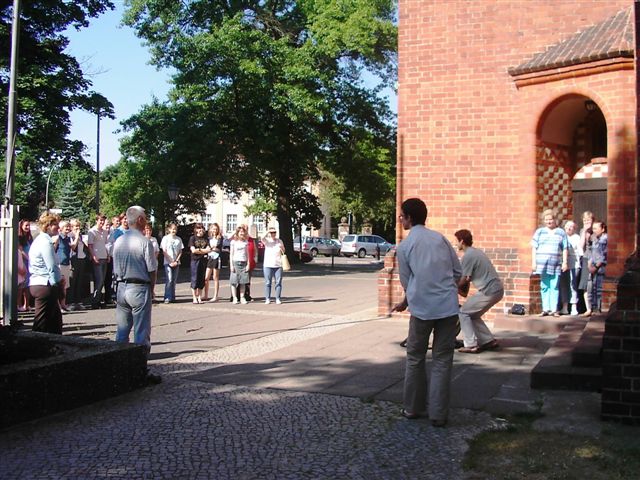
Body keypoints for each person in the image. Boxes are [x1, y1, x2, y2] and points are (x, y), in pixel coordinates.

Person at [390, 198, 461, 427]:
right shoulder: (440, 239)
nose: (400, 219)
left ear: (409, 217)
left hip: (421, 308)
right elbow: (457, 271)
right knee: (442, 359)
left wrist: (406, 300)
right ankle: (439, 414)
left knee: (415, 358)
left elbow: (406, 281)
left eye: (402, 216)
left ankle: (412, 408)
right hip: (447, 307)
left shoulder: (405, 246)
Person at [113, 205, 161, 384]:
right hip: (139, 287)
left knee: (122, 331)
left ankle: (119, 369)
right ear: (140, 220)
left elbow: (115, 267)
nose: (146, 220)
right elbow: (152, 270)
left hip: (121, 287)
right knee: (141, 332)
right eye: (145, 217)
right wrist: (152, 289)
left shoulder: (119, 241)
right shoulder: (144, 242)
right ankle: (140, 371)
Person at [454, 229, 503, 354]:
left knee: (463, 313)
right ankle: (488, 340)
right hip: (496, 289)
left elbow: (465, 279)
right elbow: (467, 278)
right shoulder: (476, 252)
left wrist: (451, 287)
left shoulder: (468, 256)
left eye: (457, 241)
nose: (456, 244)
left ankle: (471, 344)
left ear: (462, 241)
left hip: (489, 290)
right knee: (473, 314)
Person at [28, 213, 63, 334]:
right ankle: (35, 343)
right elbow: (51, 266)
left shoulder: (41, 240)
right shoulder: (45, 242)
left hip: (40, 283)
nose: (58, 227)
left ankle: (56, 342)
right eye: (55, 224)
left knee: (55, 321)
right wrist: (57, 282)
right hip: (44, 284)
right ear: (47, 226)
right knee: (41, 323)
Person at [531, 209, 568, 317]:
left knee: (554, 286)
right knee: (544, 285)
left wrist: (565, 262)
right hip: (542, 263)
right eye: (546, 220)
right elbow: (534, 247)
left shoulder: (561, 232)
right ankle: (545, 309)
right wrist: (533, 262)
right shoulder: (539, 232)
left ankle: (554, 309)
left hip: (555, 264)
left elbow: (565, 248)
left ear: (555, 219)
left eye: (550, 219)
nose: (548, 221)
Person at [560, 220, 582, 316]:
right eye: (567, 226)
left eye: (571, 226)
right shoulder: (561, 236)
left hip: (574, 264)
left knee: (573, 285)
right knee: (564, 285)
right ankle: (565, 307)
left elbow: (580, 252)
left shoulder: (577, 237)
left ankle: (574, 306)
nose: (569, 228)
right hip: (563, 264)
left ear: (574, 228)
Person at [88, 213, 109, 309]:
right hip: (97, 258)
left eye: (103, 220)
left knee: (102, 280)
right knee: (99, 280)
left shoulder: (105, 232)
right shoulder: (92, 231)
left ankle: (99, 299)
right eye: (100, 220)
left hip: (104, 256)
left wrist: (108, 254)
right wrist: (93, 256)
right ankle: (94, 301)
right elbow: (90, 246)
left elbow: (105, 244)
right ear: (96, 220)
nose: (102, 222)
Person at [160, 223, 184, 304]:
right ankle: (167, 297)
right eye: (172, 229)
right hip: (168, 262)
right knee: (169, 279)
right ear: (169, 229)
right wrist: (170, 261)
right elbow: (164, 251)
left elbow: (180, 251)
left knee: (174, 280)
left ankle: (172, 296)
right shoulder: (165, 238)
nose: (174, 231)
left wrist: (176, 261)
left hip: (176, 262)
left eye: (175, 229)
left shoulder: (178, 239)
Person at [188, 223, 211, 303]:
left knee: (201, 279)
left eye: (202, 228)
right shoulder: (192, 238)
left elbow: (208, 249)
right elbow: (193, 250)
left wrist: (199, 250)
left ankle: (199, 297)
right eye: (198, 228)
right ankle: (194, 297)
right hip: (195, 260)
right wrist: (203, 251)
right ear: (195, 229)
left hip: (203, 261)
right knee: (194, 279)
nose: (200, 230)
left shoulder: (206, 239)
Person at [68, 218, 88, 310]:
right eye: (75, 226)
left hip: (81, 259)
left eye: (78, 226)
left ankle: (78, 301)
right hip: (74, 260)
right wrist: (76, 237)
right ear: (71, 227)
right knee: (73, 281)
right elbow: (73, 247)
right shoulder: (70, 235)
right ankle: (71, 301)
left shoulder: (80, 235)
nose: (77, 228)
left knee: (80, 281)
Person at [588, 221, 608, 315]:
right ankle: (594, 307)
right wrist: (590, 265)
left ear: (603, 229)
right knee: (594, 288)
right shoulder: (595, 239)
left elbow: (604, 255)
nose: (594, 230)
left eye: (596, 228)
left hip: (600, 267)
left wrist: (596, 266)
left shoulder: (605, 239)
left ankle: (599, 308)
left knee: (599, 288)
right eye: (593, 228)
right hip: (594, 267)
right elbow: (592, 253)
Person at [262, 227, 285, 304]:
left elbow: (283, 251)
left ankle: (277, 298)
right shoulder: (267, 241)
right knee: (268, 282)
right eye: (271, 233)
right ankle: (267, 298)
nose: (273, 234)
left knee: (278, 282)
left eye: (274, 232)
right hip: (268, 264)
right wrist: (267, 231)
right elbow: (262, 238)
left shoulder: (279, 241)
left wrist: (282, 247)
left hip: (278, 264)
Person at [54, 220, 72, 312]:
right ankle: (58, 306)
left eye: (69, 226)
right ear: (60, 229)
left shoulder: (68, 238)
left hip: (66, 263)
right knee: (59, 286)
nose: (68, 228)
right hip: (59, 264)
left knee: (65, 286)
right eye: (66, 227)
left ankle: (63, 304)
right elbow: (54, 249)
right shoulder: (58, 238)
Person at [578, 211, 594, 316]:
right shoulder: (582, 231)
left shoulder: (596, 230)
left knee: (594, 283)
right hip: (586, 258)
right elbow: (581, 245)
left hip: (595, 258)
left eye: (588, 220)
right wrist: (584, 231)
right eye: (584, 220)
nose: (586, 222)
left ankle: (595, 306)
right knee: (585, 283)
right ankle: (588, 308)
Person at [230, 225, 251, 304]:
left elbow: (247, 254)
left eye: (243, 232)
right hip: (235, 262)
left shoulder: (245, 242)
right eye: (240, 232)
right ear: (237, 233)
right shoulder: (233, 242)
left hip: (243, 262)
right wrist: (231, 265)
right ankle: (234, 297)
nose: (242, 233)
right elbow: (231, 254)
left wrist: (248, 264)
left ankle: (242, 297)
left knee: (243, 281)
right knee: (234, 281)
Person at [204, 223, 223, 302]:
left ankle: (215, 296)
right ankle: (206, 295)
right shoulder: (209, 238)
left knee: (215, 277)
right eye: (213, 229)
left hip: (216, 257)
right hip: (210, 258)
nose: (214, 230)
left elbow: (218, 249)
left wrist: (212, 248)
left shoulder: (220, 238)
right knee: (206, 278)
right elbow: (207, 247)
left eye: (216, 229)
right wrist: (211, 248)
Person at [17, 219, 33, 311]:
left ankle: (27, 305)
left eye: (29, 225)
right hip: (23, 262)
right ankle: (19, 305)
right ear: (21, 226)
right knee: (21, 285)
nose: (28, 227)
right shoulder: (19, 237)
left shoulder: (29, 238)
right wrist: (29, 259)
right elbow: (21, 251)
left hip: (29, 263)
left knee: (28, 285)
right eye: (26, 225)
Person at [143, 223, 160, 302]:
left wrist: (153, 258)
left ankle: (152, 292)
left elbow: (157, 251)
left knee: (153, 278)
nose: (148, 232)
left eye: (149, 230)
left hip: (153, 261)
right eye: (146, 230)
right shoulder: (142, 239)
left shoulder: (154, 239)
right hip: (144, 262)